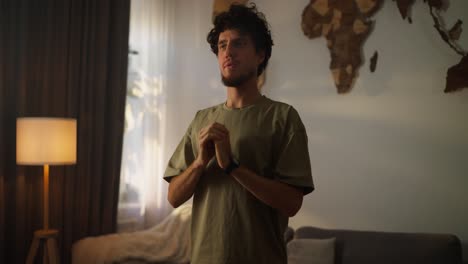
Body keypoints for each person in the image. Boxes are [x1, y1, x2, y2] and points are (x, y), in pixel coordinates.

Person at [164, 3, 314, 264]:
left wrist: (232, 166)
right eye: (222, 45)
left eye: (238, 43)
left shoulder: (283, 117)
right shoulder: (202, 119)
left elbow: (292, 203)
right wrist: (200, 162)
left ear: (260, 55)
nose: (228, 52)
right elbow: (174, 197)